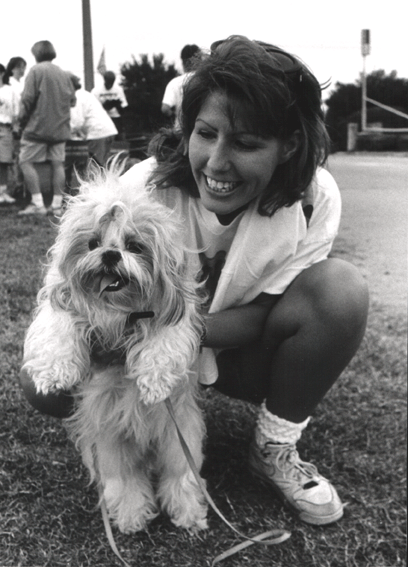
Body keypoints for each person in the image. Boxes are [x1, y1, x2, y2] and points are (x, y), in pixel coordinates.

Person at [20, 36, 369, 527]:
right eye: (206, 133)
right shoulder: (140, 189)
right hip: (131, 342)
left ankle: (274, 445)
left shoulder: (314, 200)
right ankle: (124, 472)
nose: (217, 163)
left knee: (341, 291)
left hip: (238, 349)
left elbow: (268, 312)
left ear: (288, 146)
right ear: (187, 128)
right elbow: (71, 283)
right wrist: (95, 337)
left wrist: (172, 330)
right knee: (42, 384)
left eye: (246, 144)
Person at [17, 41, 76, 216]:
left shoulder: (36, 71)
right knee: (58, 164)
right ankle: (57, 206)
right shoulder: (64, 74)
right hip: (59, 129)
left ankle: (38, 204)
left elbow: (27, 99)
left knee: (25, 162)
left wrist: (21, 120)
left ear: (36, 54)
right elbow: (72, 101)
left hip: (37, 128)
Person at [68, 73, 117, 183]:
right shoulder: (84, 94)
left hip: (97, 133)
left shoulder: (77, 96)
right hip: (106, 131)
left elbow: (77, 122)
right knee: (101, 167)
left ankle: (98, 195)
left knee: (95, 169)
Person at [161, 44, 201, 129]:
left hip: (180, 131)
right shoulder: (205, 79)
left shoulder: (174, 82)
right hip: (201, 132)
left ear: (183, 62)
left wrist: (175, 114)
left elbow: (165, 109)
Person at [4, 57, 27, 200]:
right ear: (13, 68)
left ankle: (20, 185)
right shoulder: (11, 84)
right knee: (15, 158)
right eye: (21, 67)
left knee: (19, 157)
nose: (23, 70)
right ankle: (17, 186)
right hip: (15, 125)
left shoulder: (20, 84)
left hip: (22, 125)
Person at [0, 63, 20, 204]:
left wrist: (16, 127)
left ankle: (2, 191)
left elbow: (16, 111)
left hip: (5, 128)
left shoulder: (9, 90)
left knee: (4, 162)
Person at [92, 71, 128, 139]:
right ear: (105, 80)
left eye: (111, 83)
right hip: (102, 118)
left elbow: (124, 105)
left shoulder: (118, 89)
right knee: (105, 137)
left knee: (118, 137)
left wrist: (116, 104)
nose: (110, 85)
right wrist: (105, 106)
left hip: (116, 117)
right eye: (108, 83)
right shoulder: (96, 91)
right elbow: (93, 107)